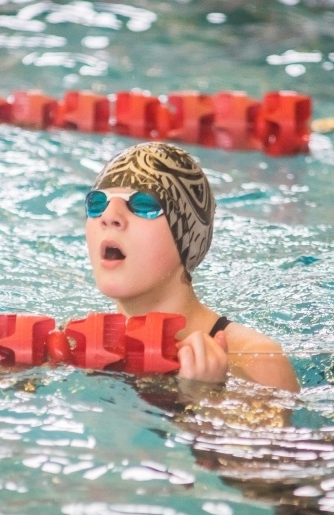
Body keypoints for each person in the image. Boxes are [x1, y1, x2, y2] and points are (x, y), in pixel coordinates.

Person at [84, 142, 300, 393]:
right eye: (97, 204)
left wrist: (208, 396)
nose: (109, 216)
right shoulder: (76, 344)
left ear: (187, 235)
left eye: (144, 204)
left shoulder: (257, 361)